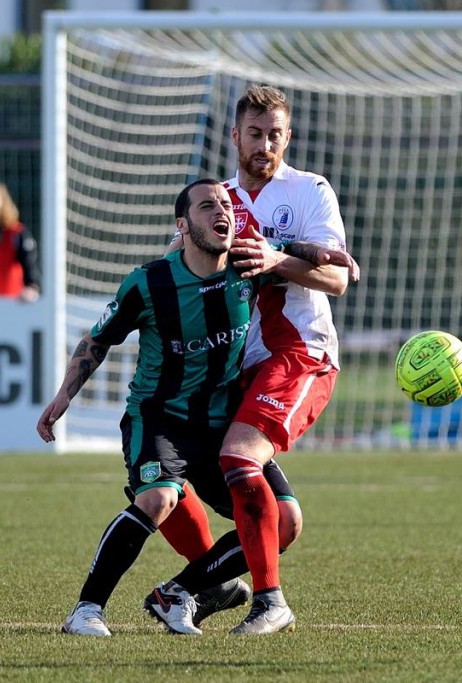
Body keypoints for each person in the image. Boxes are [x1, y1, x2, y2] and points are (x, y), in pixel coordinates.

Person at [39, 179, 352, 637]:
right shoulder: (149, 283)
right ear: (183, 226)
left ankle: (184, 591)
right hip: (160, 418)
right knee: (158, 498)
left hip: (219, 423)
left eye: (225, 204)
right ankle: (86, 610)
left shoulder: (249, 265)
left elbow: (291, 247)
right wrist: (65, 394)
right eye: (208, 206)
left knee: (283, 521)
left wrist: (326, 254)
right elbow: (97, 339)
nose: (221, 211)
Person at [160, 85, 350, 635]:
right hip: (228, 368)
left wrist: (277, 258)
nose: (265, 144)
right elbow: (178, 266)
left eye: (275, 135)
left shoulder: (310, 191)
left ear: (287, 138)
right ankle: (193, 589)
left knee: (240, 459)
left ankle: (269, 602)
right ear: (235, 137)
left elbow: (336, 278)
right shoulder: (214, 199)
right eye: (255, 134)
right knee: (280, 518)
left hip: (298, 354)